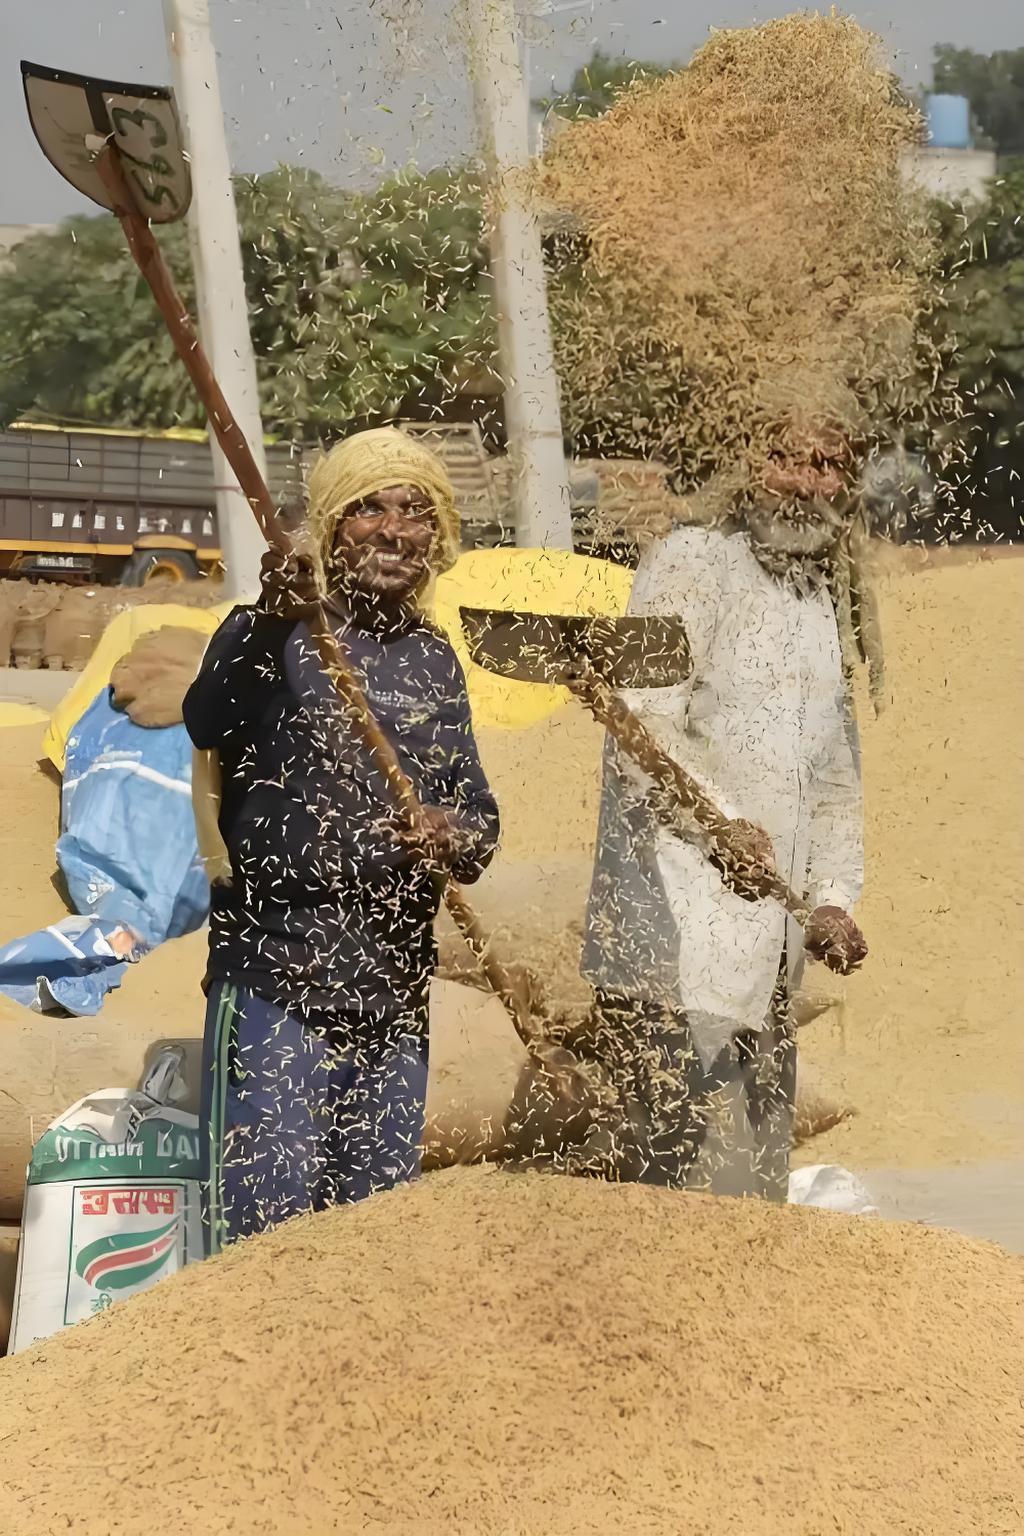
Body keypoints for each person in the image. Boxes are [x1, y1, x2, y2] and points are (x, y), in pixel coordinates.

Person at [183, 428, 499, 1252]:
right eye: (368, 510)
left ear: (440, 537)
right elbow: (205, 718)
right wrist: (266, 618)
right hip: (278, 983)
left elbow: (481, 819)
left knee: (373, 1246)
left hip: (393, 997)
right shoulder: (279, 632)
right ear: (329, 527)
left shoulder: (435, 659)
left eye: (416, 512)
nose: (394, 531)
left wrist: (449, 833)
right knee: (265, 1242)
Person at [578, 412, 870, 1201]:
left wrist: (836, 897)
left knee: (758, 1197)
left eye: (828, 464)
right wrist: (718, 825)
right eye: (784, 457)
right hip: (678, 949)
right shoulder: (694, 561)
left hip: (771, 950)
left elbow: (836, 778)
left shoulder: (815, 595)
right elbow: (643, 721)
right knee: (689, 1200)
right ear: (743, 461)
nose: (807, 483)